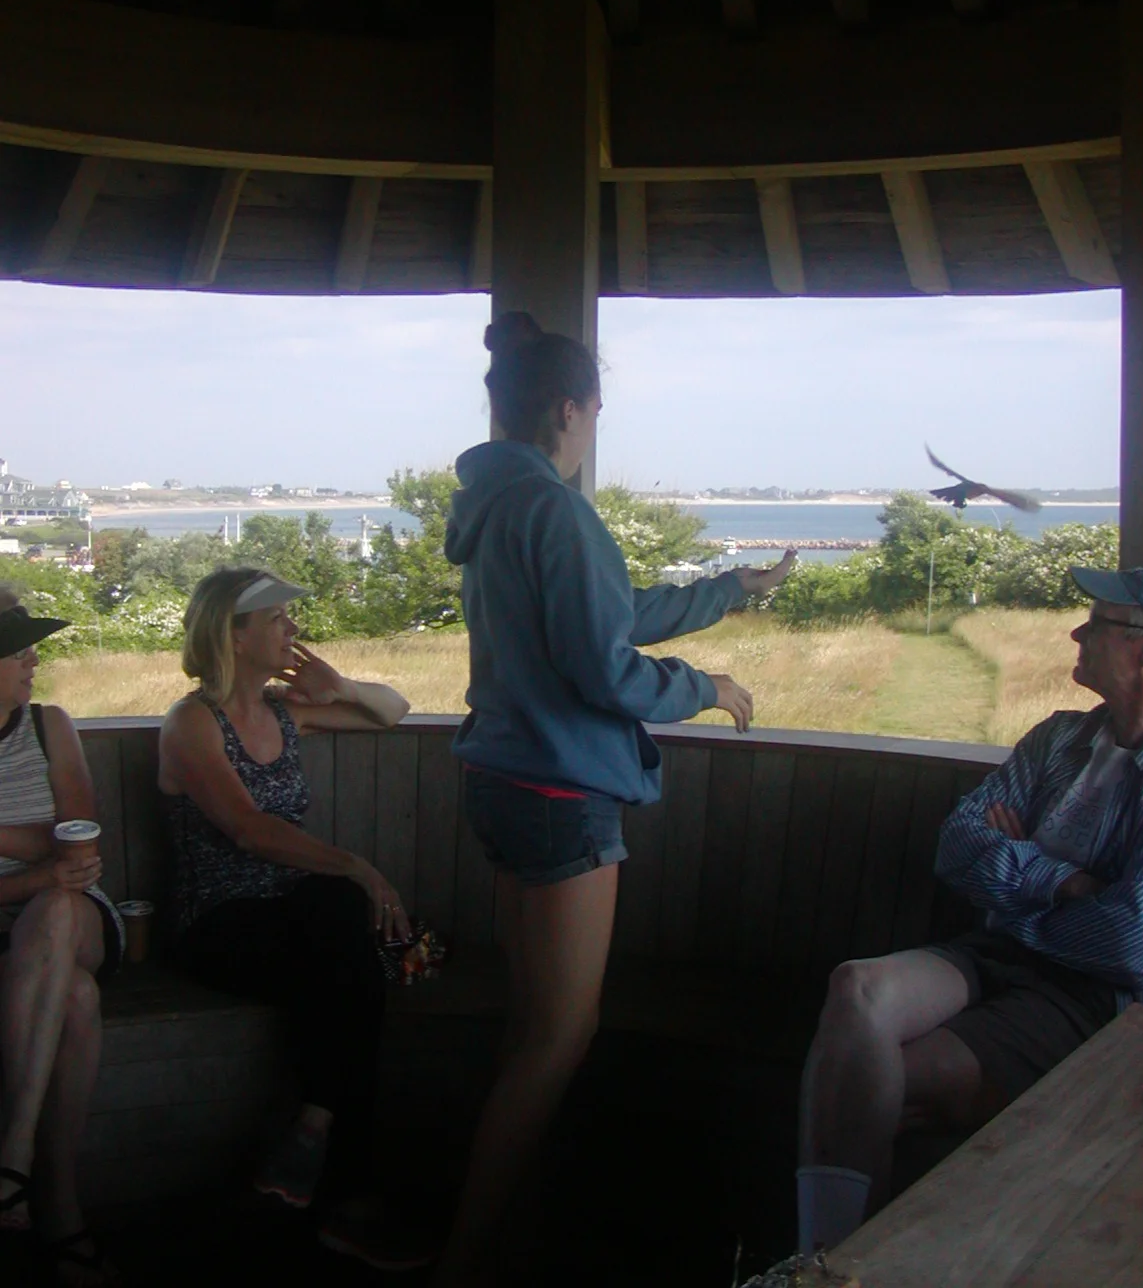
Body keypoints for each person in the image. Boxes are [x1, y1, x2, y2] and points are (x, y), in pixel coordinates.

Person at [432, 312, 795, 1285]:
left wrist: (726, 589)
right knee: (562, 1034)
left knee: (532, 1021)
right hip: (559, 793)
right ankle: (467, 1258)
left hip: (502, 779)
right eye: (595, 412)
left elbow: (611, 608)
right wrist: (705, 687)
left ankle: (506, 1227)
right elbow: (606, 662)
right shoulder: (555, 509)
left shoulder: (501, 506)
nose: (594, 428)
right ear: (568, 408)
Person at [797, 563, 1143, 1257]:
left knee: (861, 1081)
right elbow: (958, 845)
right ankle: (820, 1264)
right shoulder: (1059, 738)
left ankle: (839, 1262)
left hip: (1088, 996)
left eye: (1098, 622)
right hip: (998, 952)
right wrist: (1067, 882)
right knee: (855, 988)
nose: (1077, 631)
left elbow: (1134, 945)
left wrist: (1013, 891)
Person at [158, 567, 425, 1273]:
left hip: (299, 917)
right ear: (234, 635)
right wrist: (358, 866)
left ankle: (313, 1135)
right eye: (277, 619)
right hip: (218, 922)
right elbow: (247, 830)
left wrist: (342, 690)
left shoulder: (284, 711)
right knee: (350, 949)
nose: (293, 630)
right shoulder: (192, 722)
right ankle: (349, 1195)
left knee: (341, 949)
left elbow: (393, 709)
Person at [0, 586, 125, 1286]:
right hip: (25, 932)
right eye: (17, 651)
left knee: (57, 910)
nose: (32, 661)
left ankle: (11, 1154)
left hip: (75, 916)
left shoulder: (50, 726)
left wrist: (30, 860)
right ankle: (59, 1204)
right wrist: (34, 866)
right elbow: (49, 859)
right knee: (74, 998)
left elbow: (76, 851)